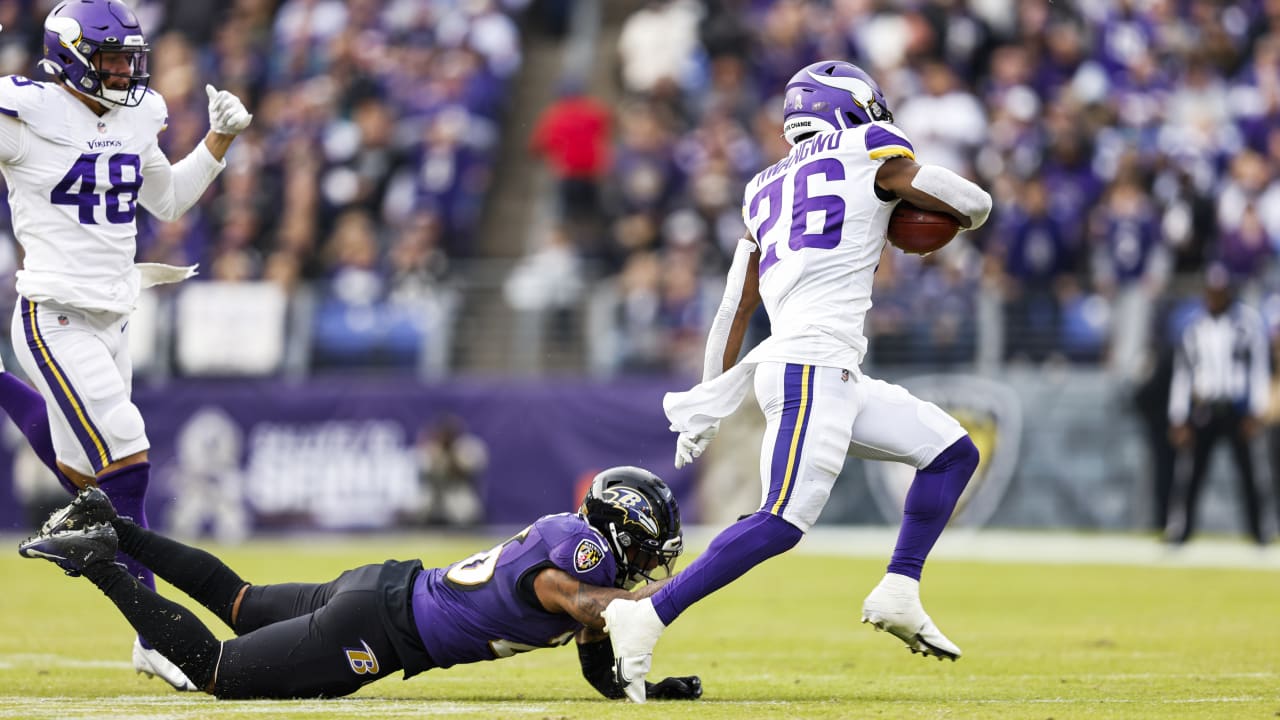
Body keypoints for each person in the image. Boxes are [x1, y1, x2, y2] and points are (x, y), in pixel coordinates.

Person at [600, 60, 992, 702]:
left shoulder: (760, 188)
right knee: (781, 520)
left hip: (820, 369)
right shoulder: (871, 146)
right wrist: (928, 209)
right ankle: (644, 614)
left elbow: (734, 309)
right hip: (812, 367)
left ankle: (899, 587)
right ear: (856, 106)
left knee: (951, 453)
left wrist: (704, 401)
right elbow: (975, 204)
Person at [0, 0, 253, 689]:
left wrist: (217, 142)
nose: (123, 71)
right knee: (129, 458)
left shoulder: (139, 114)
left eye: (126, 59)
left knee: (88, 480)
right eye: (109, 59)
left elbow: (167, 202)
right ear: (70, 56)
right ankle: (154, 634)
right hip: (55, 315)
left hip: (116, 315)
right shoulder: (26, 111)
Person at [18, 467, 702, 701]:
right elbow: (583, 604)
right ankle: (99, 558)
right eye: (648, 548)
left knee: (241, 602)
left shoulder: (583, 552)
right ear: (619, 530)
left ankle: (111, 522)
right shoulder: (579, 564)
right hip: (377, 630)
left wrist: (644, 689)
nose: (650, 563)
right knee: (214, 673)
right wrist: (667, 600)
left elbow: (592, 639)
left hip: (384, 589)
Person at [1164, 265, 1271, 546]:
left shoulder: (1247, 323)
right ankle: (1180, 530)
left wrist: (1257, 411)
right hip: (1204, 408)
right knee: (1190, 473)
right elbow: (1182, 374)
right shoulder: (1193, 327)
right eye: (1211, 291)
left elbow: (1259, 368)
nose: (1215, 297)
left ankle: (1260, 531)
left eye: (1220, 292)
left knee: (1251, 474)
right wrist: (1178, 417)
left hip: (1237, 409)